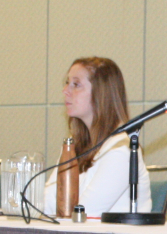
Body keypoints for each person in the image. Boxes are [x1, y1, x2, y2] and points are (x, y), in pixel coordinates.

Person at [42, 57, 150, 216]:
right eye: (67, 82)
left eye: (76, 84)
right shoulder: (73, 146)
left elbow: (84, 214)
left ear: (101, 94)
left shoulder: (122, 149)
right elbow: (45, 205)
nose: (65, 90)